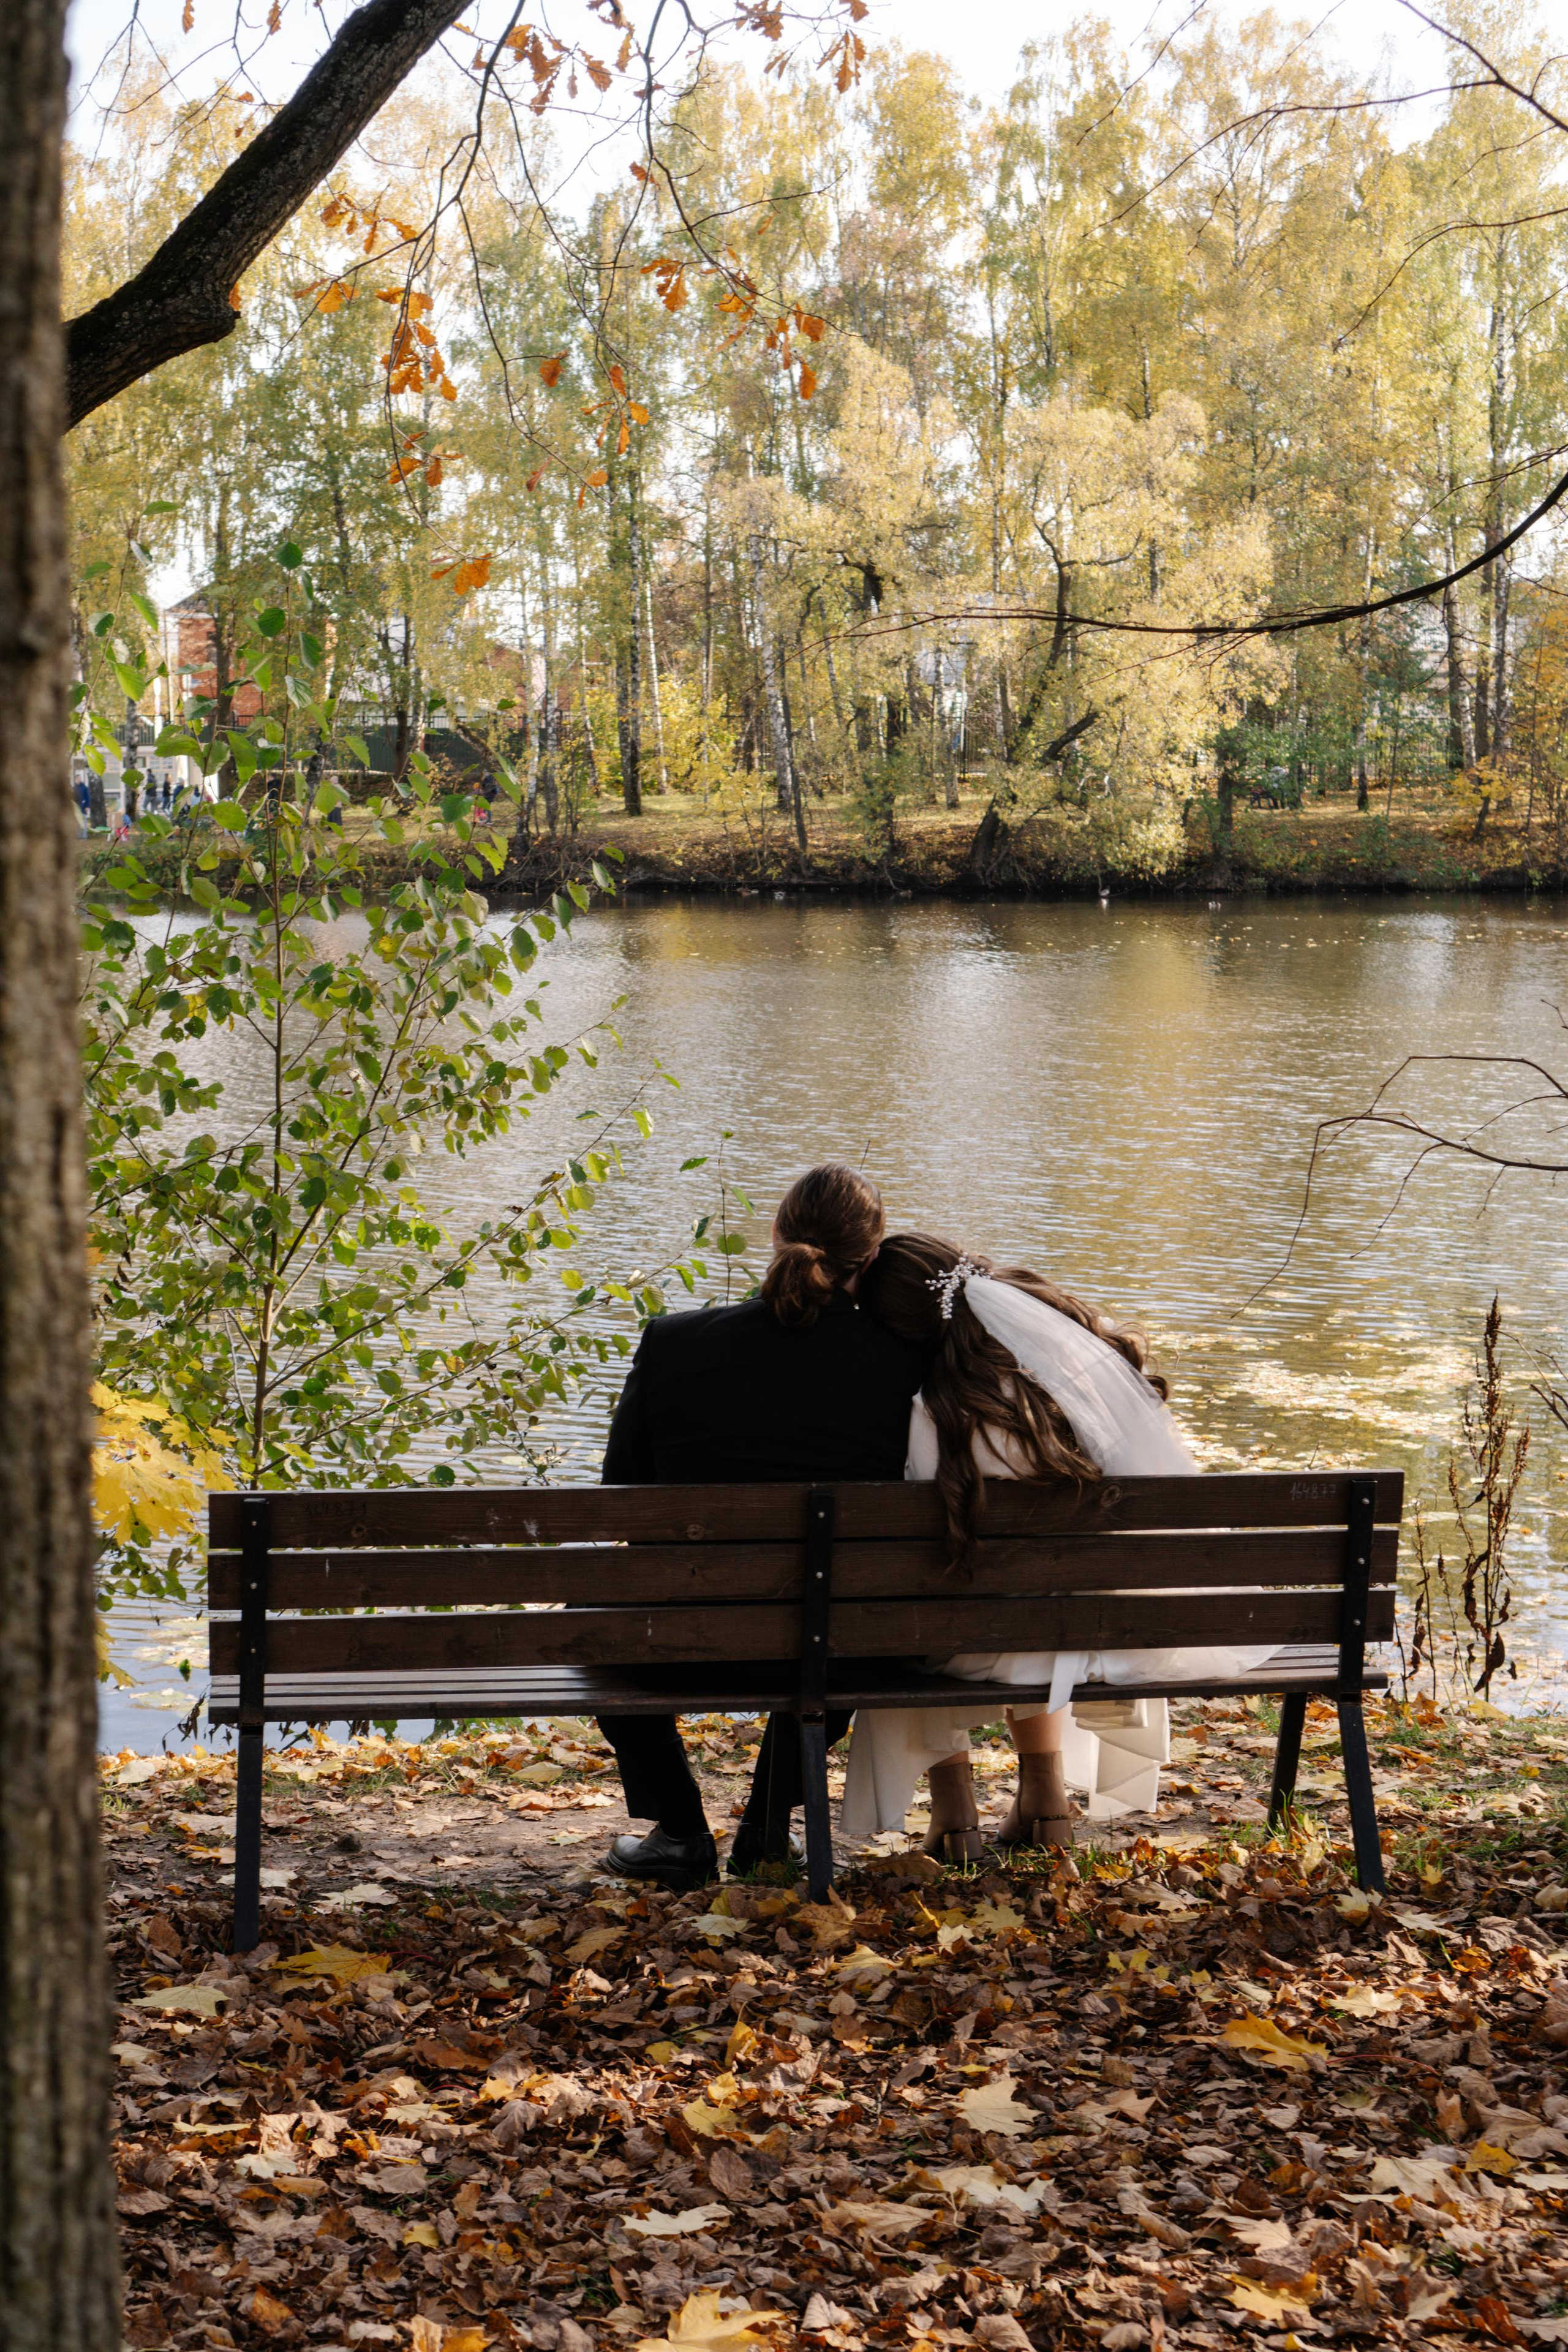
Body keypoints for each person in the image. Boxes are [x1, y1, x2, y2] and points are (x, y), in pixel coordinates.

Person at [840, 1235, 1276, 1857]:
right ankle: (1045, 1799)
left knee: (921, 1627)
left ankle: (954, 1813)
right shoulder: (1076, 1385)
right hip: (1094, 1636)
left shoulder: (931, 1410)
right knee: (1034, 1611)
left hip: (978, 1646)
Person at [597, 1163, 932, 1890]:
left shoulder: (673, 1342)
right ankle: (766, 1830)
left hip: (675, 1638)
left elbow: (619, 1493)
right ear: (871, 1258)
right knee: (838, 1616)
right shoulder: (905, 1364)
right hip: (832, 1647)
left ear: (776, 1234)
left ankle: (680, 1831)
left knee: (592, 1626)